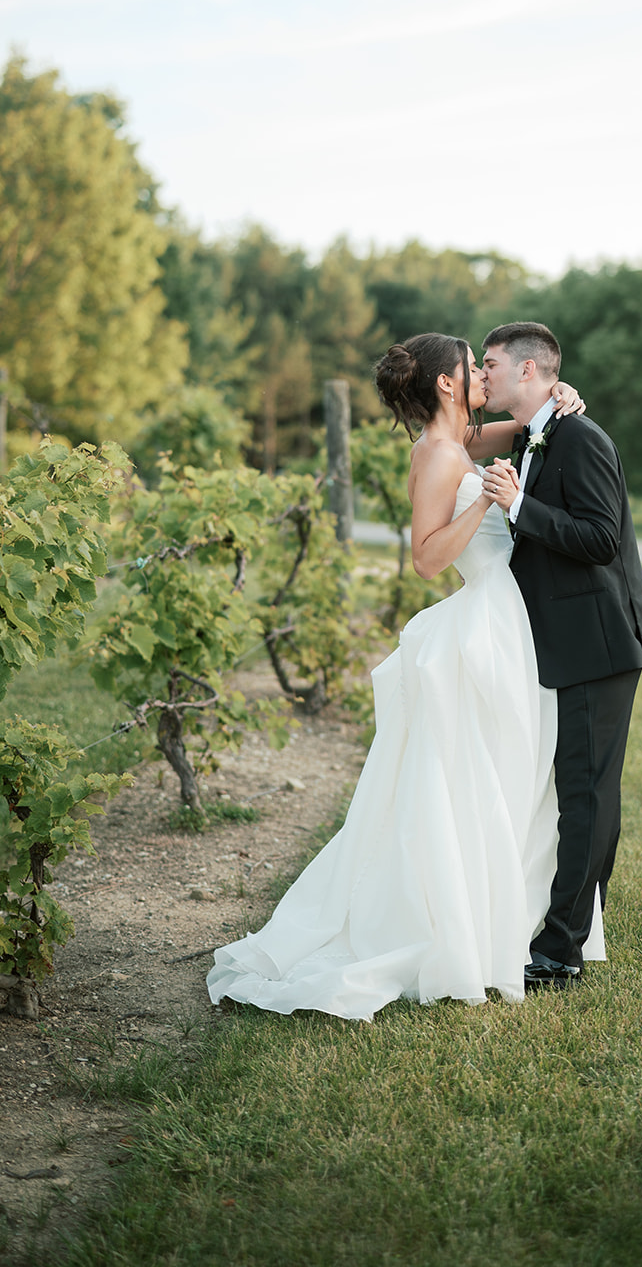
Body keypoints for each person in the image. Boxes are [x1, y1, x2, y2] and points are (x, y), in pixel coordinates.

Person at [206, 332, 591, 1023]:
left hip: (509, 619)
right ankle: (472, 926)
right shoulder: (440, 454)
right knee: (485, 777)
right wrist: (486, 504)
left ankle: (508, 915)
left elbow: (526, 426)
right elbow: (425, 559)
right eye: (472, 367)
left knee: (514, 775)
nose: (480, 373)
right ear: (447, 384)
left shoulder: (460, 440)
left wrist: (559, 397)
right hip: (484, 617)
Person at [481, 321, 642, 991]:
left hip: (599, 640)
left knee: (584, 795)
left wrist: (518, 504)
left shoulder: (578, 436)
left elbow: (599, 539)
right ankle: (577, 927)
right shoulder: (539, 433)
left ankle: (559, 950)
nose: (484, 374)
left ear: (530, 371)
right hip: (570, 640)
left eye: (493, 363)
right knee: (585, 792)